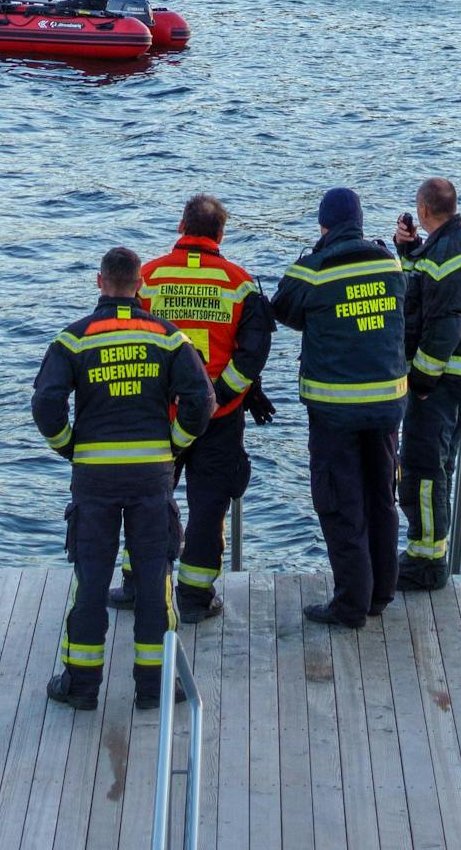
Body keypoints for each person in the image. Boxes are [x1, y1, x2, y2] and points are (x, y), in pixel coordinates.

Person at [31, 244, 214, 712]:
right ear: (140, 285)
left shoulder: (73, 340)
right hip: (152, 477)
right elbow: (201, 401)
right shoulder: (168, 338)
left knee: (90, 580)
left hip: (95, 478)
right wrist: (174, 444)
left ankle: (81, 685)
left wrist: (69, 446)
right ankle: (153, 689)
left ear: (99, 282)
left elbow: (46, 404)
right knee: (156, 583)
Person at [270, 187, 408, 629]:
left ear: (323, 225)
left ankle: (350, 603)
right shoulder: (389, 262)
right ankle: (380, 593)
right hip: (388, 405)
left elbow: (282, 307)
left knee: (340, 503)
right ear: (362, 221)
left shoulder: (315, 270)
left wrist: (314, 254)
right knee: (382, 498)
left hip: (335, 411)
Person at [134, 195, 275, 620]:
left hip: (163, 413)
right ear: (220, 234)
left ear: (181, 226)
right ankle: (195, 598)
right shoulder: (240, 283)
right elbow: (253, 353)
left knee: (149, 498)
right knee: (209, 503)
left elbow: (128, 339)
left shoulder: (148, 277)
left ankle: (135, 585)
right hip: (219, 418)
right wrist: (223, 396)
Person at [393, 176, 461, 590]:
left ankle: (428, 561)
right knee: (436, 465)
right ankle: (427, 549)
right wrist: (409, 251)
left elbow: (444, 327)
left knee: (424, 467)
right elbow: (426, 282)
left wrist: (420, 380)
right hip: (459, 375)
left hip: (441, 378)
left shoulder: (449, 255)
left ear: (424, 211)